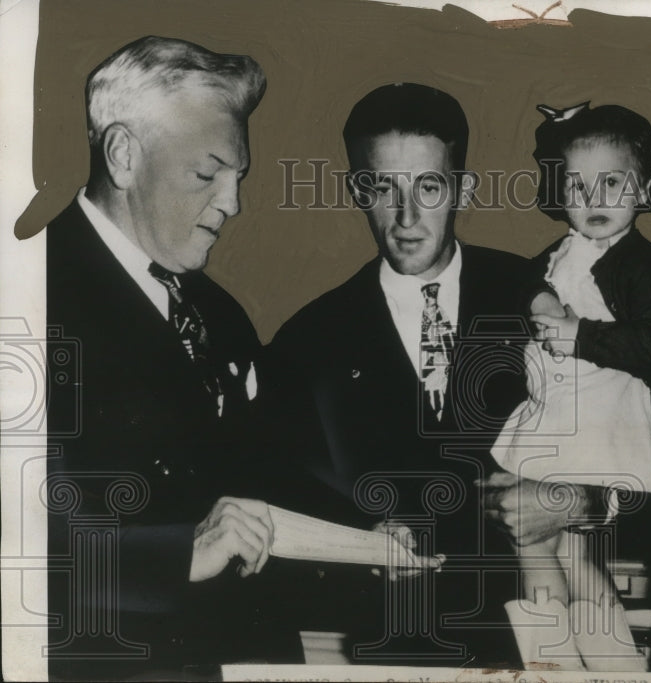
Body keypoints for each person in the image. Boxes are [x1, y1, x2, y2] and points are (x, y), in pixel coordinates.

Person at [42, 36, 369, 679]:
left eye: (237, 177)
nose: (232, 203)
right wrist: (177, 555)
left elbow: (265, 467)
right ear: (122, 154)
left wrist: (376, 523)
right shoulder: (24, 295)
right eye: (206, 173)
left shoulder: (217, 313)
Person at [266, 82, 532, 667]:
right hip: (385, 651)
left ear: (460, 188)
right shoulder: (305, 344)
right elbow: (284, 496)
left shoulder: (540, 297)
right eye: (383, 187)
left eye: (429, 186)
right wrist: (359, 532)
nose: (406, 216)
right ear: (357, 190)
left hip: (542, 641)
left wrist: (578, 504)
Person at [489, 102, 651, 671]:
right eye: (576, 185)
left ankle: (612, 667)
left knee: (572, 553)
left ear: (645, 188)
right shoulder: (555, 256)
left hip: (607, 422)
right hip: (556, 414)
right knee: (544, 543)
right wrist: (539, 300)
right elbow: (522, 284)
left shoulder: (649, 267)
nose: (593, 199)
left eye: (611, 183)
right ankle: (556, 663)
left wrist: (581, 335)